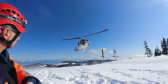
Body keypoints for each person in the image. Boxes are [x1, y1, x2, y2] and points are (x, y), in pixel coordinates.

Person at [0, 3, 41, 84]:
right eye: (18, 34)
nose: (18, 38)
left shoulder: (5, 57)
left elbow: (17, 69)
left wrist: (30, 80)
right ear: (6, 33)